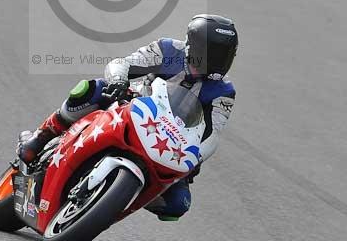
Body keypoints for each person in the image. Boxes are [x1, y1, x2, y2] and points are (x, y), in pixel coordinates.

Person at [17, 15, 238, 221]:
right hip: (132, 108)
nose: (218, 60)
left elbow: (211, 133)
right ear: (194, 45)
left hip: (170, 144)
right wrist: (118, 80)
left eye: (224, 55)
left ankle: (118, 198)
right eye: (213, 52)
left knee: (178, 205)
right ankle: (40, 138)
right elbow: (122, 64)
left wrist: (196, 157)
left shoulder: (224, 91)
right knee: (89, 89)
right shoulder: (168, 50)